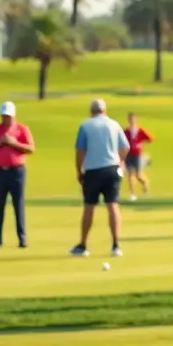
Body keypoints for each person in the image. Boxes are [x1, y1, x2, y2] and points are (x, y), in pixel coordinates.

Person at [71, 98, 130, 258]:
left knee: (89, 207)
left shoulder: (86, 126)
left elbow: (80, 151)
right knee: (113, 205)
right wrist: (120, 161)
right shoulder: (114, 124)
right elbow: (125, 147)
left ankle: (83, 245)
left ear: (91, 111)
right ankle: (115, 245)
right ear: (104, 110)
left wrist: (79, 170)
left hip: (92, 170)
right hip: (112, 169)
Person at [0, 101, 34, 248]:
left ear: (14, 115)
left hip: (16, 172)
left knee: (18, 204)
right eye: (4, 116)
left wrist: (13, 142)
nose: (6, 118)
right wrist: (0, 141)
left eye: (8, 116)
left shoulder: (22, 129)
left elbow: (31, 148)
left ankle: (22, 237)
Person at [124, 112, 153, 201]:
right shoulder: (126, 132)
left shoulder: (140, 131)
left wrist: (141, 143)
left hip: (138, 155)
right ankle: (132, 194)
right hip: (128, 154)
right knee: (130, 174)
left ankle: (145, 183)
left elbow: (150, 138)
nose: (131, 121)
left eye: (133, 120)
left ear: (136, 120)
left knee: (138, 174)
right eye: (130, 120)